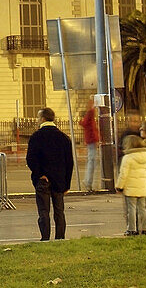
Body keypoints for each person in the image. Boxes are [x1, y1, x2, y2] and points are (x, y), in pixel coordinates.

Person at [26, 107, 74, 241]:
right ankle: (60, 238)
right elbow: (69, 163)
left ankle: (45, 238)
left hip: (43, 180)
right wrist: (67, 184)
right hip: (59, 181)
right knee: (59, 212)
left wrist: (39, 174)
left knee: (43, 211)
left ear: (42, 119)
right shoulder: (64, 138)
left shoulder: (36, 137)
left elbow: (31, 159)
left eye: (38, 117)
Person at [115, 135, 146, 235]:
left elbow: (123, 174)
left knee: (131, 209)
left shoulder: (128, 158)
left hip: (131, 188)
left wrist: (119, 186)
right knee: (143, 208)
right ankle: (145, 228)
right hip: (143, 187)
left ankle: (132, 229)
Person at [80, 103, 100, 193]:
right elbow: (91, 128)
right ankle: (88, 182)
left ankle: (88, 181)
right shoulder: (90, 115)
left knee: (92, 161)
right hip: (92, 140)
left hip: (91, 140)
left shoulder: (89, 117)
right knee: (92, 161)